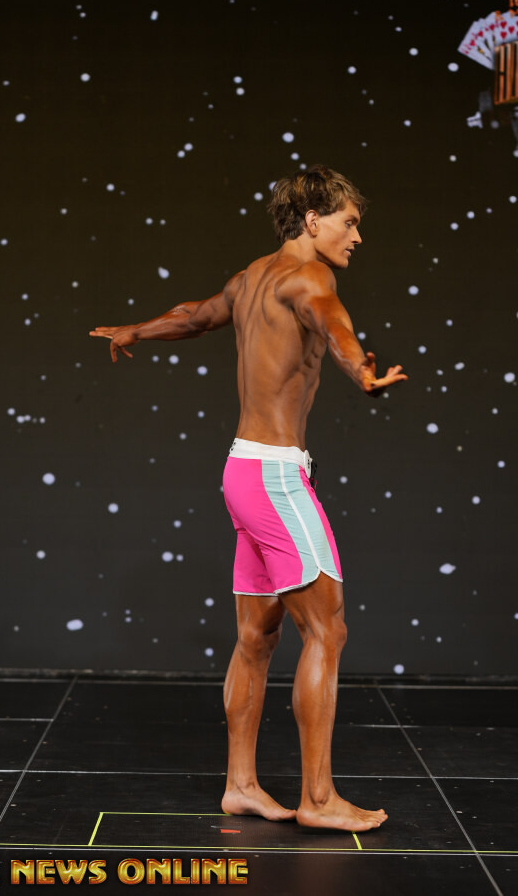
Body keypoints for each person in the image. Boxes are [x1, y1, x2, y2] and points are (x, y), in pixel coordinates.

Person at [89, 165, 407, 831]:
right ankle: (318, 799)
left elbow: (195, 317)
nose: (357, 237)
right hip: (276, 478)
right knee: (327, 629)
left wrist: (136, 330)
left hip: (241, 471)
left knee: (256, 638)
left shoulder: (250, 277)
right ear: (314, 219)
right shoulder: (310, 278)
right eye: (349, 223)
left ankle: (241, 787)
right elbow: (335, 325)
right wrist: (362, 372)